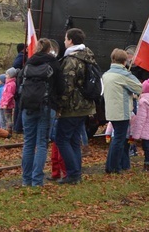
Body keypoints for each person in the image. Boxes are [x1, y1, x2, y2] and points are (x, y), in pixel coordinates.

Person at [53, 28, 97, 184]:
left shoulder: (71, 60)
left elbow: (67, 87)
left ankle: (73, 174)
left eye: (65, 39)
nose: (64, 41)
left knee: (61, 139)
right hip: (85, 105)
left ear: (70, 40)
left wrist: (59, 106)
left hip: (72, 107)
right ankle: (76, 173)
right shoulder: (87, 55)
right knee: (73, 140)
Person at [19, 38, 57, 187]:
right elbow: (60, 85)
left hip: (28, 106)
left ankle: (25, 180)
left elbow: (19, 84)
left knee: (28, 143)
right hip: (46, 107)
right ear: (49, 49)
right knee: (41, 143)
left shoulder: (28, 63)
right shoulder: (53, 63)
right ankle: (37, 180)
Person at [103, 48, 142, 174]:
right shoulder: (124, 75)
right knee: (119, 140)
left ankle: (110, 165)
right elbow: (139, 87)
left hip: (111, 111)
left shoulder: (106, 74)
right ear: (124, 61)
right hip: (122, 111)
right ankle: (114, 167)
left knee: (116, 139)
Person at [11, 43, 26, 134]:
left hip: (19, 82)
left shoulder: (21, 56)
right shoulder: (21, 57)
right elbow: (15, 66)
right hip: (20, 83)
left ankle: (17, 125)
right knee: (19, 106)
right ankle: (17, 126)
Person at [0, 68, 18, 132]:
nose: (5, 75)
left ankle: (9, 131)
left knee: (8, 118)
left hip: (8, 104)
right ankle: (5, 130)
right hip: (5, 103)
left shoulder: (11, 84)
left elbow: (9, 95)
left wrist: (5, 103)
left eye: (7, 74)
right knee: (5, 117)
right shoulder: (7, 83)